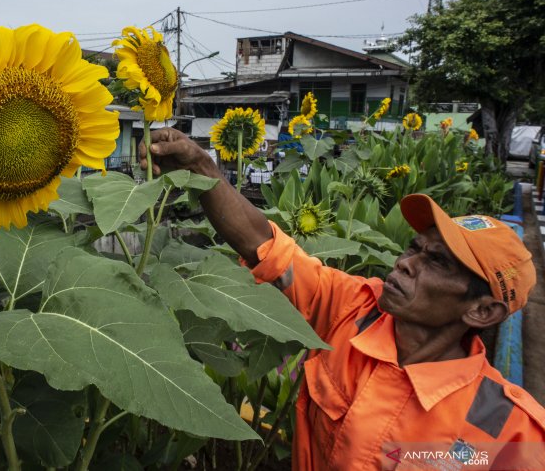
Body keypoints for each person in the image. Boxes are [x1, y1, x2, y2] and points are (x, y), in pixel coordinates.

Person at [141, 128, 545, 470]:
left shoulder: (510, 432)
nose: (405, 264)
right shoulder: (354, 310)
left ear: (483, 310)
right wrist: (201, 166)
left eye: (436, 261)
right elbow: (266, 246)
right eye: (414, 248)